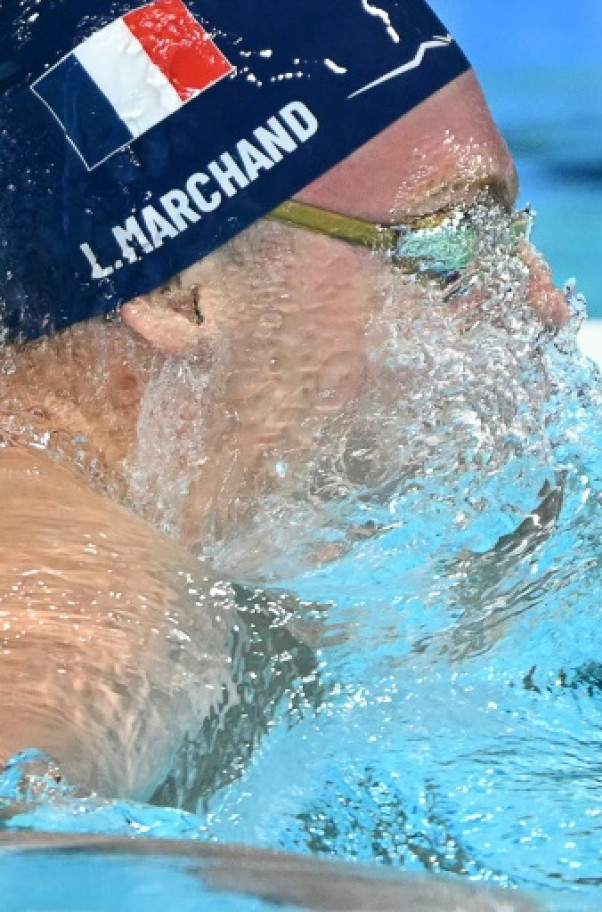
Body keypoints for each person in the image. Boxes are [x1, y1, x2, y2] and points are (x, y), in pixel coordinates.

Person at [0, 0, 568, 800]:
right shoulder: (86, 601)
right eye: (449, 242)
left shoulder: (211, 548)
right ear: (177, 293)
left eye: (511, 233)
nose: (542, 302)